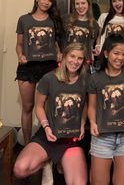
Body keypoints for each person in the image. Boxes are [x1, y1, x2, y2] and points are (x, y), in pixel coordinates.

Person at [14, 43, 88, 185]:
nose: (75, 61)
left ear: (83, 61)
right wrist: (46, 126)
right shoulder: (49, 78)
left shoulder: (85, 80)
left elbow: (84, 105)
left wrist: (83, 124)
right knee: (20, 169)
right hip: (48, 135)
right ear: (64, 56)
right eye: (72, 56)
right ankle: (46, 162)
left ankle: (60, 160)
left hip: (70, 139)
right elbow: (39, 106)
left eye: (80, 58)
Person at [88, 34, 124, 185]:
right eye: (116, 53)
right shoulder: (95, 78)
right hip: (102, 137)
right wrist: (92, 122)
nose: (120, 57)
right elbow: (92, 106)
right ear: (106, 53)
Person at [15, 0, 64, 145]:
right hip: (27, 67)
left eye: (50, 0)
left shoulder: (54, 21)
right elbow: (19, 44)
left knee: (48, 107)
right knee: (27, 107)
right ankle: (28, 145)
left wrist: (59, 53)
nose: (47, 2)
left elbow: (56, 44)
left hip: (49, 67)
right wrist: (20, 55)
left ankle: (47, 144)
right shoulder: (24, 19)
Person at [63, 0, 99, 70]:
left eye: (83, 3)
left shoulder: (94, 24)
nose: (80, 6)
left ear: (88, 4)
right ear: (74, 5)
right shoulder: (66, 19)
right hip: (67, 61)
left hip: (85, 63)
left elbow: (94, 41)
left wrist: (97, 45)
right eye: (77, 4)